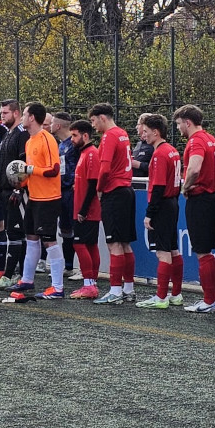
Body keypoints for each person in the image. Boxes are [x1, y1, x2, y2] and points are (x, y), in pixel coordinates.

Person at [7, 102, 64, 299]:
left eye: (24, 114)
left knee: (49, 241)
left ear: (32, 117)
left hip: (48, 198)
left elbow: (53, 170)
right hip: (34, 196)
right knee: (31, 237)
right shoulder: (29, 141)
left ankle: (57, 287)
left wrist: (28, 170)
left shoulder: (46, 138)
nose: (22, 117)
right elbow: (31, 172)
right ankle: (27, 279)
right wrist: (20, 182)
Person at [175, 105, 215, 314]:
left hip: (201, 198)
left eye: (179, 124)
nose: (178, 128)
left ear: (188, 122)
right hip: (212, 197)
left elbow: (195, 168)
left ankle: (209, 299)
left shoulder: (196, 141)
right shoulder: (210, 138)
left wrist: (185, 187)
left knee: (202, 252)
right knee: (207, 252)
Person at [88, 103, 135, 305]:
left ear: (102, 118)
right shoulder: (123, 133)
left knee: (114, 243)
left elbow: (105, 168)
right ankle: (128, 289)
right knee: (124, 243)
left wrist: (99, 189)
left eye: (93, 120)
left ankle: (115, 290)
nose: (93, 126)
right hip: (126, 190)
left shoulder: (109, 136)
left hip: (114, 192)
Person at [136, 114, 184, 309]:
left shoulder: (160, 154)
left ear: (156, 132)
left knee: (163, 252)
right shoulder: (172, 151)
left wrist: (150, 213)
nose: (144, 135)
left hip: (163, 205)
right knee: (173, 249)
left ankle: (161, 297)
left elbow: (158, 186)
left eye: (146, 131)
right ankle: (176, 294)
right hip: (172, 203)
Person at [0, 99, 29, 285]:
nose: (2, 116)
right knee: (12, 233)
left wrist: (19, 189)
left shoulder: (22, 134)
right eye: (1, 113)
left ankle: (11, 275)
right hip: (5, 191)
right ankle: (17, 274)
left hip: (17, 192)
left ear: (16, 113)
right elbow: (3, 164)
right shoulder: (7, 134)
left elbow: (23, 164)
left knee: (17, 234)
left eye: (5, 113)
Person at [67, 120, 103, 299]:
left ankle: (89, 284)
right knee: (89, 244)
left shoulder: (91, 153)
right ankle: (91, 284)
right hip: (85, 208)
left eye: (74, 135)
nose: (72, 139)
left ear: (85, 135)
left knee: (80, 244)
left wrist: (83, 210)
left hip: (87, 210)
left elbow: (93, 184)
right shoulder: (85, 153)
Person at [49, 112, 79, 281]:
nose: (50, 125)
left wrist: (77, 183)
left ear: (58, 125)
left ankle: (82, 269)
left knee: (76, 229)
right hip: (61, 191)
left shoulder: (75, 144)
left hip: (72, 191)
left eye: (52, 122)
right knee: (65, 229)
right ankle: (68, 266)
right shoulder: (60, 145)